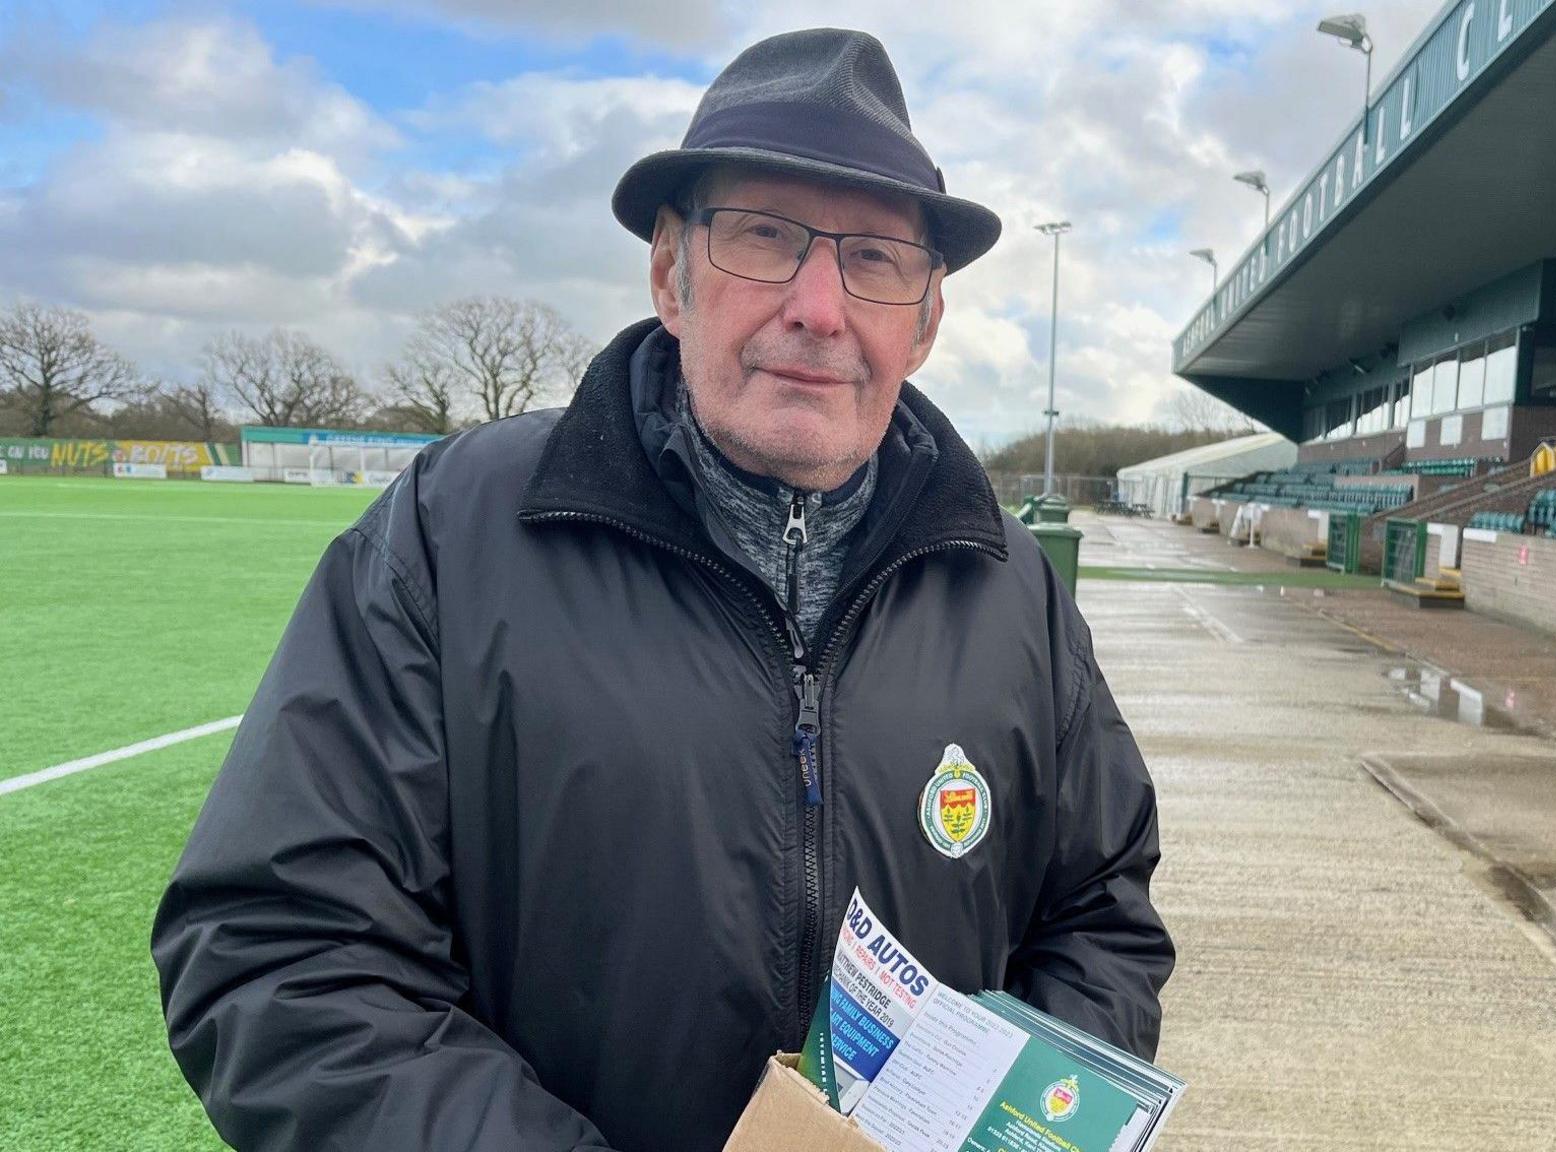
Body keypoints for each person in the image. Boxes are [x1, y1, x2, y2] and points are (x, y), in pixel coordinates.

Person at [151, 27, 1174, 1152]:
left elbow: (1097, 924)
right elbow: (280, 948)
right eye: (763, 239)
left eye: (875, 260)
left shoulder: (1007, 587)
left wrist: (1018, 1129)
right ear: (668, 274)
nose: (819, 309)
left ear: (925, 322)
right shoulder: (455, 531)